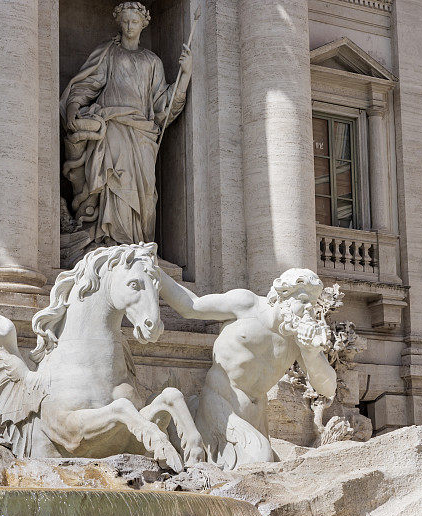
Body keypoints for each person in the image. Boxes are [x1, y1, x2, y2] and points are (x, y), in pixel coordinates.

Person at [158, 268, 338, 469]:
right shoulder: (247, 304)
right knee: (260, 460)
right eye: (303, 301)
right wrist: (155, 272)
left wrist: (312, 354)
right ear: (282, 295)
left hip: (257, 416)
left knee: (266, 466)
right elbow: (190, 306)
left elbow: (328, 388)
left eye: (313, 304)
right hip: (221, 403)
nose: (309, 310)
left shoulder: (298, 340)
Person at [60, 1, 192, 250]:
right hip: (113, 128)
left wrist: (185, 75)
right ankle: (110, 239)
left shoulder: (152, 62)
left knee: (143, 193)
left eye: (135, 21)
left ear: (144, 24)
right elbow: (86, 85)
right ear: (119, 23)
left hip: (142, 134)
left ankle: (137, 243)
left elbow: (163, 103)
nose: (130, 26)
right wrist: (74, 107)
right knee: (114, 183)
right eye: (126, 21)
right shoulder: (109, 53)